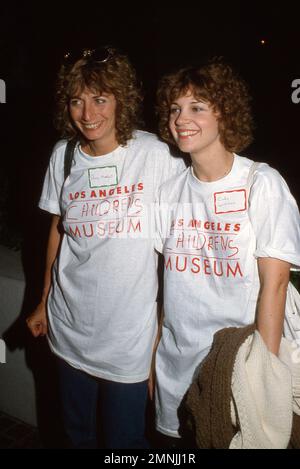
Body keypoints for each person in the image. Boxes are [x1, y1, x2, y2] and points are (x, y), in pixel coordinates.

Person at [26, 46, 185, 449]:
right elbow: (57, 230)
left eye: (100, 99)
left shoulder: (154, 155)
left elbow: (176, 250)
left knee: (125, 443)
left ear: (121, 101)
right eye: (77, 100)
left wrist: (162, 336)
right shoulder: (63, 156)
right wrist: (44, 299)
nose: (88, 113)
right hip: (68, 331)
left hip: (128, 343)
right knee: (77, 437)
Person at [154, 58, 300, 445]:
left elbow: (276, 285)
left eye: (198, 107)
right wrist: (154, 359)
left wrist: (263, 381)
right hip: (177, 369)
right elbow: (165, 287)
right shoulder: (169, 192)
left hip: (237, 368)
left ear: (225, 115)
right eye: (175, 109)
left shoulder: (261, 184)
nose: (182, 118)